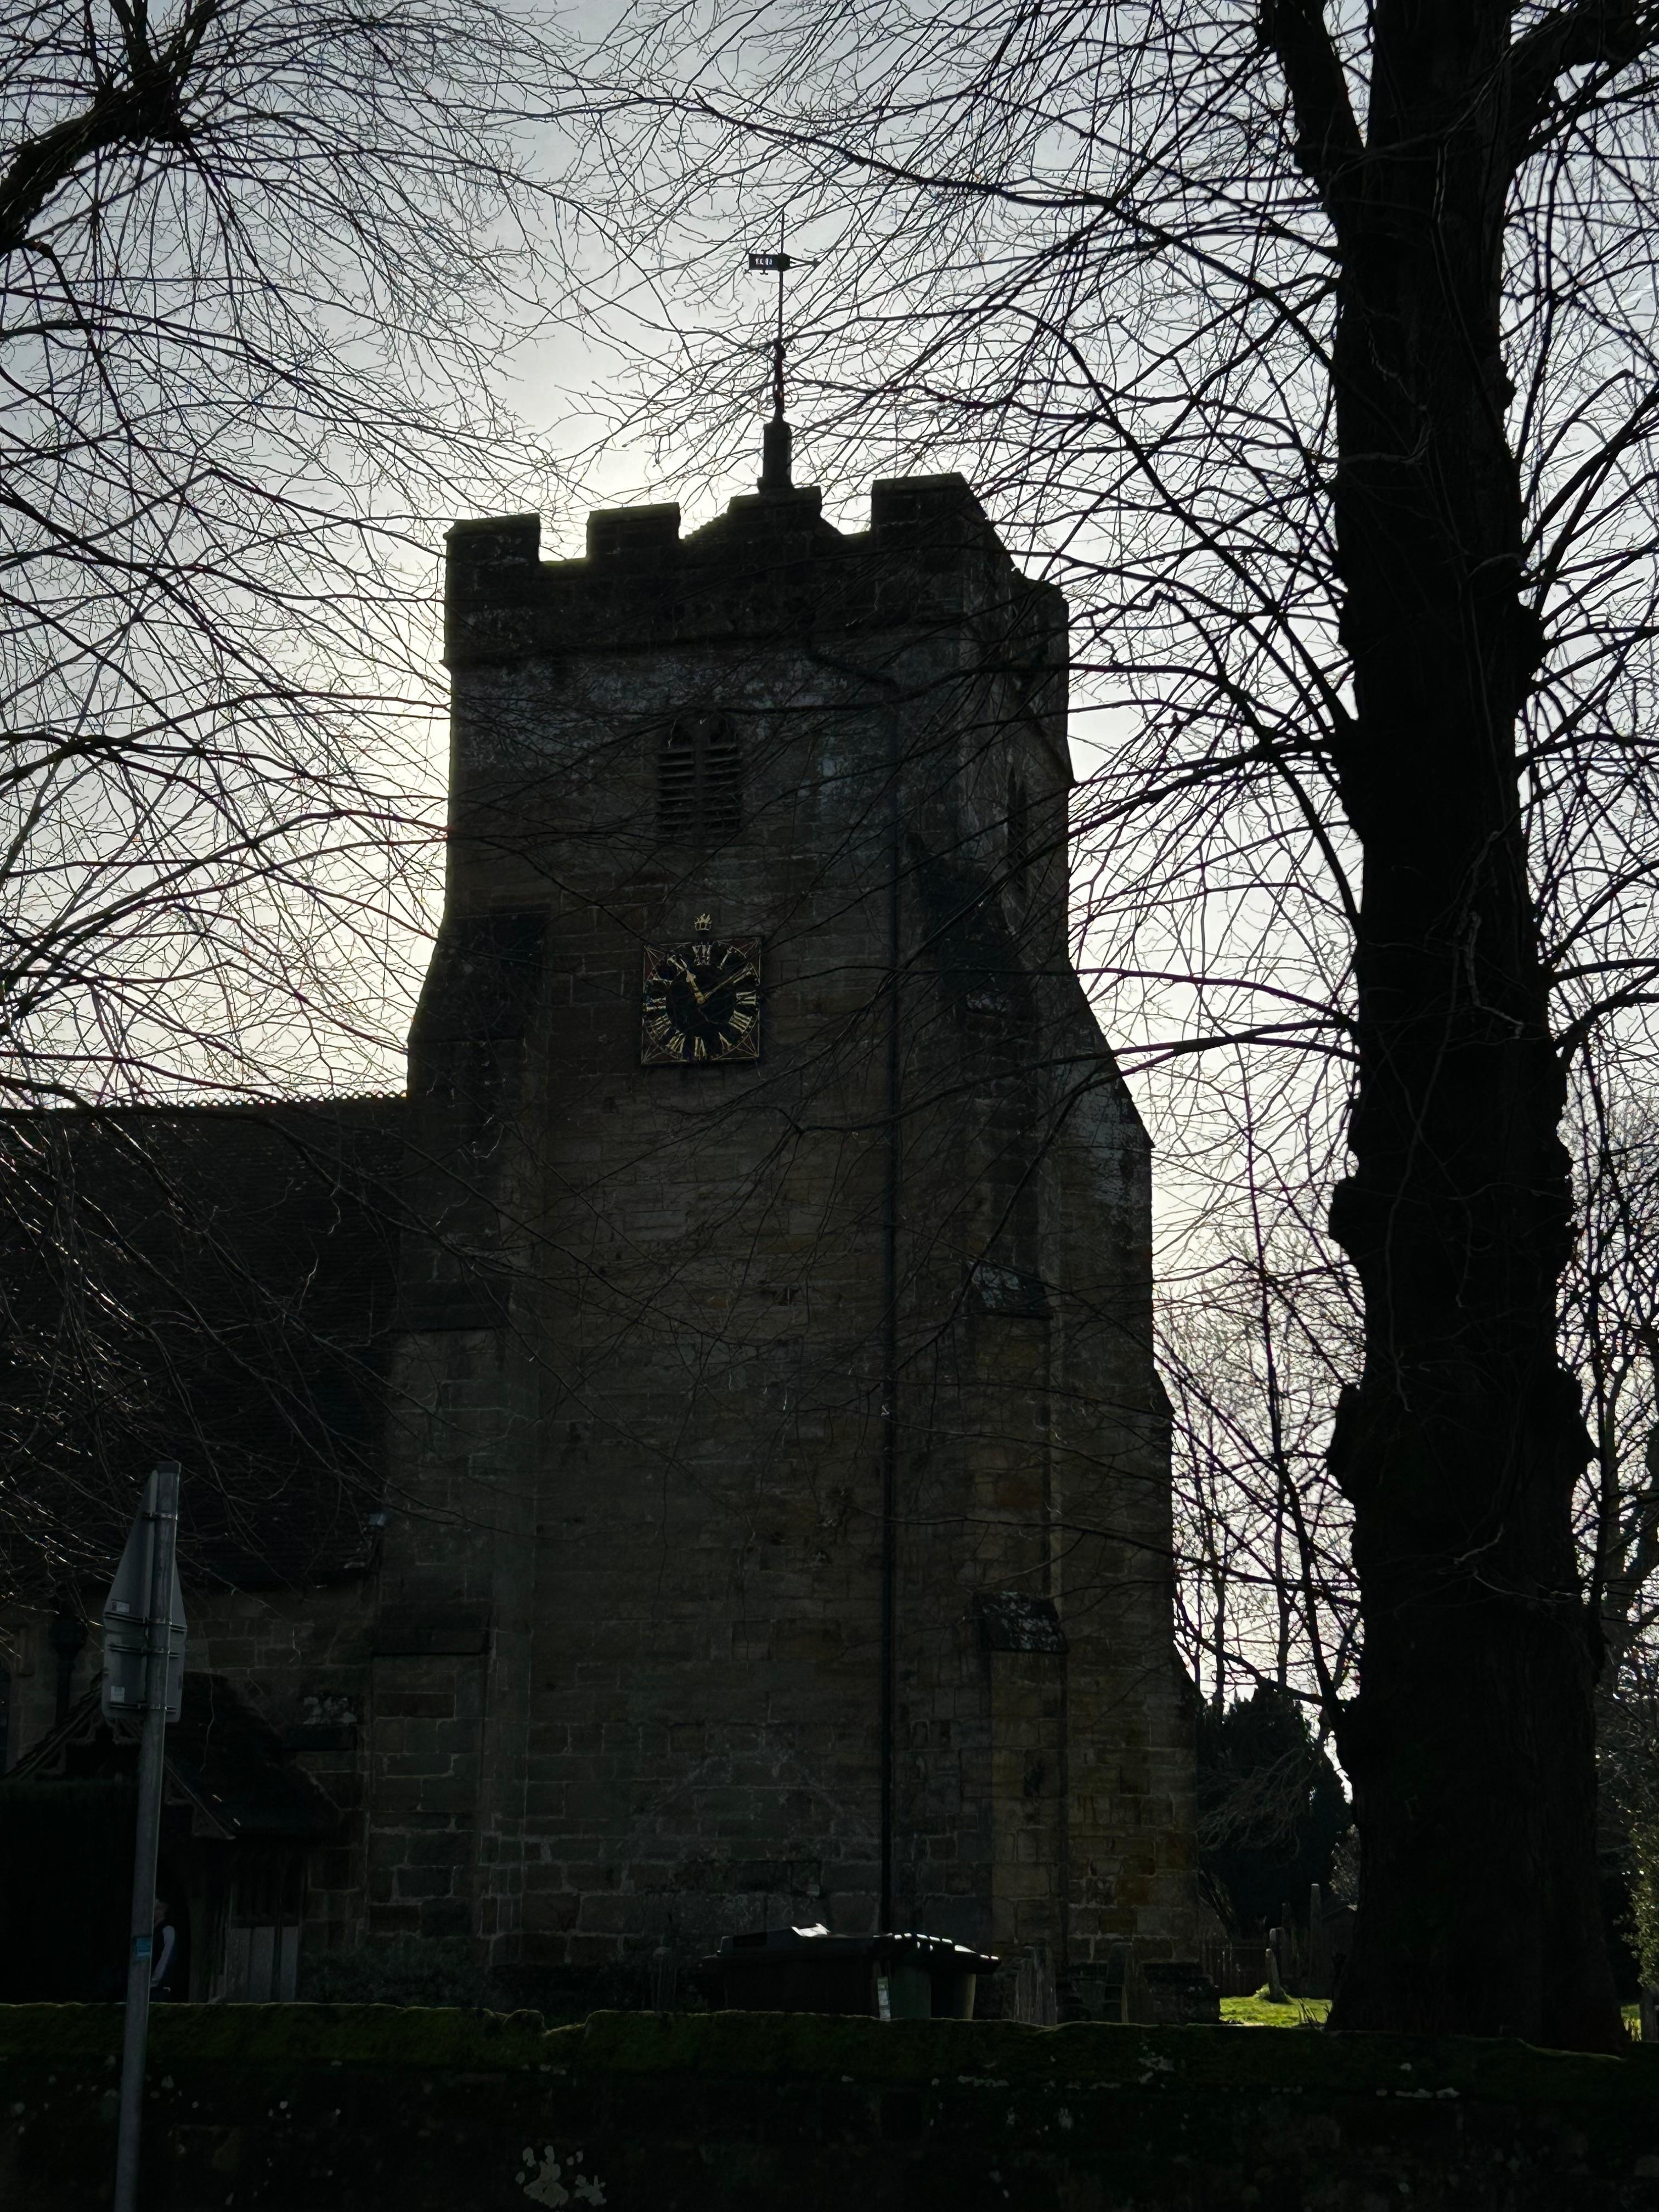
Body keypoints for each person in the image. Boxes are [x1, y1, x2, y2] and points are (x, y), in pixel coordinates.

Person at [150, 1897, 176, 2002]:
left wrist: (156, 1981)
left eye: (158, 1908)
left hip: (157, 1988)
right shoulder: (151, 1931)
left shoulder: (168, 1930)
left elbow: (166, 1959)